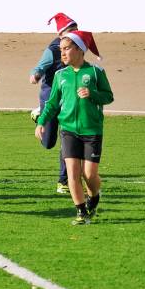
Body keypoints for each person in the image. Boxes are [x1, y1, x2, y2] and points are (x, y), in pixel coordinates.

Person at [34, 30, 113, 225]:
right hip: (68, 130)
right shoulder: (61, 75)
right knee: (72, 173)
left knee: (89, 174)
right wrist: (42, 122)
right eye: (61, 49)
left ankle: (94, 196)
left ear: (79, 49)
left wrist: (92, 93)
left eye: (66, 48)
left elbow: (108, 96)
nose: (62, 53)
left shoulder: (95, 72)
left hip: (92, 130)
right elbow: (52, 103)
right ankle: (81, 212)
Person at [31, 12, 76, 194]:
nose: (75, 33)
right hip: (50, 98)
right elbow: (40, 66)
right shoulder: (52, 50)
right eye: (71, 31)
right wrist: (35, 75)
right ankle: (39, 115)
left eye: (76, 30)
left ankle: (63, 181)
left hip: (68, 100)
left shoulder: (78, 46)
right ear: (61, 34)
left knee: (67, 138)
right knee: (48, 143)